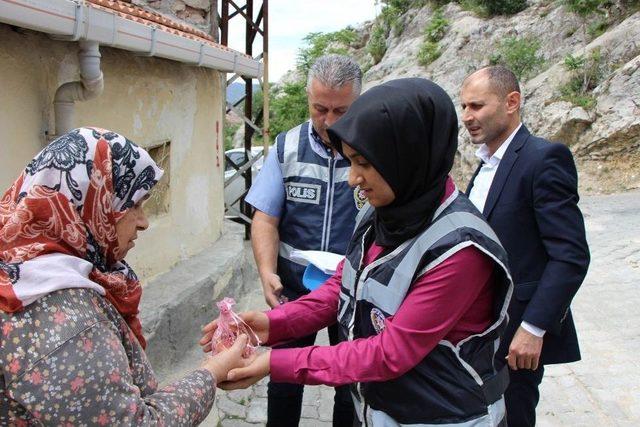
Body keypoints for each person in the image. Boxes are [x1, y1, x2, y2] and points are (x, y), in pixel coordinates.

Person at [203, 78, 515, 426]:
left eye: (363, 163)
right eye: (350, 162)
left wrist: (274, 363)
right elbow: (341, 289)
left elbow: (390, 353)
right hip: (383, 411)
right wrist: (270, 325)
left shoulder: (460, 250)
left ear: (406, 157)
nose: (352, 179)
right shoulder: (380, 215)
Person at [0, 127, 250, 424]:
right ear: (92, 204)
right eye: (133, 205)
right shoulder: (63, 319)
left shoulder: (28, 268)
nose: (144, 222)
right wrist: (213, 372)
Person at [460, 65, 590, 426]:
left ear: (512, 102)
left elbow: (571, 255)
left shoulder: (544, 158)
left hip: (518, 336)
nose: (468, 117)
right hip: (481, 330)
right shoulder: (484, 166)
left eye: (477, 106)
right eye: (464, 108)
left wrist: (534, 329)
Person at [244, 54, 363, 426]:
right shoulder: (287, 147)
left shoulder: (376, 148)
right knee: (282, 376)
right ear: (308, 99)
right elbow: (265, 217)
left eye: (341, 111)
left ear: (358, 102)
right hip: (294, 290)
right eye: (319, 108)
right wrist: (266, 272)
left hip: (355, 290)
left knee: (352, 381)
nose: (328, 121)